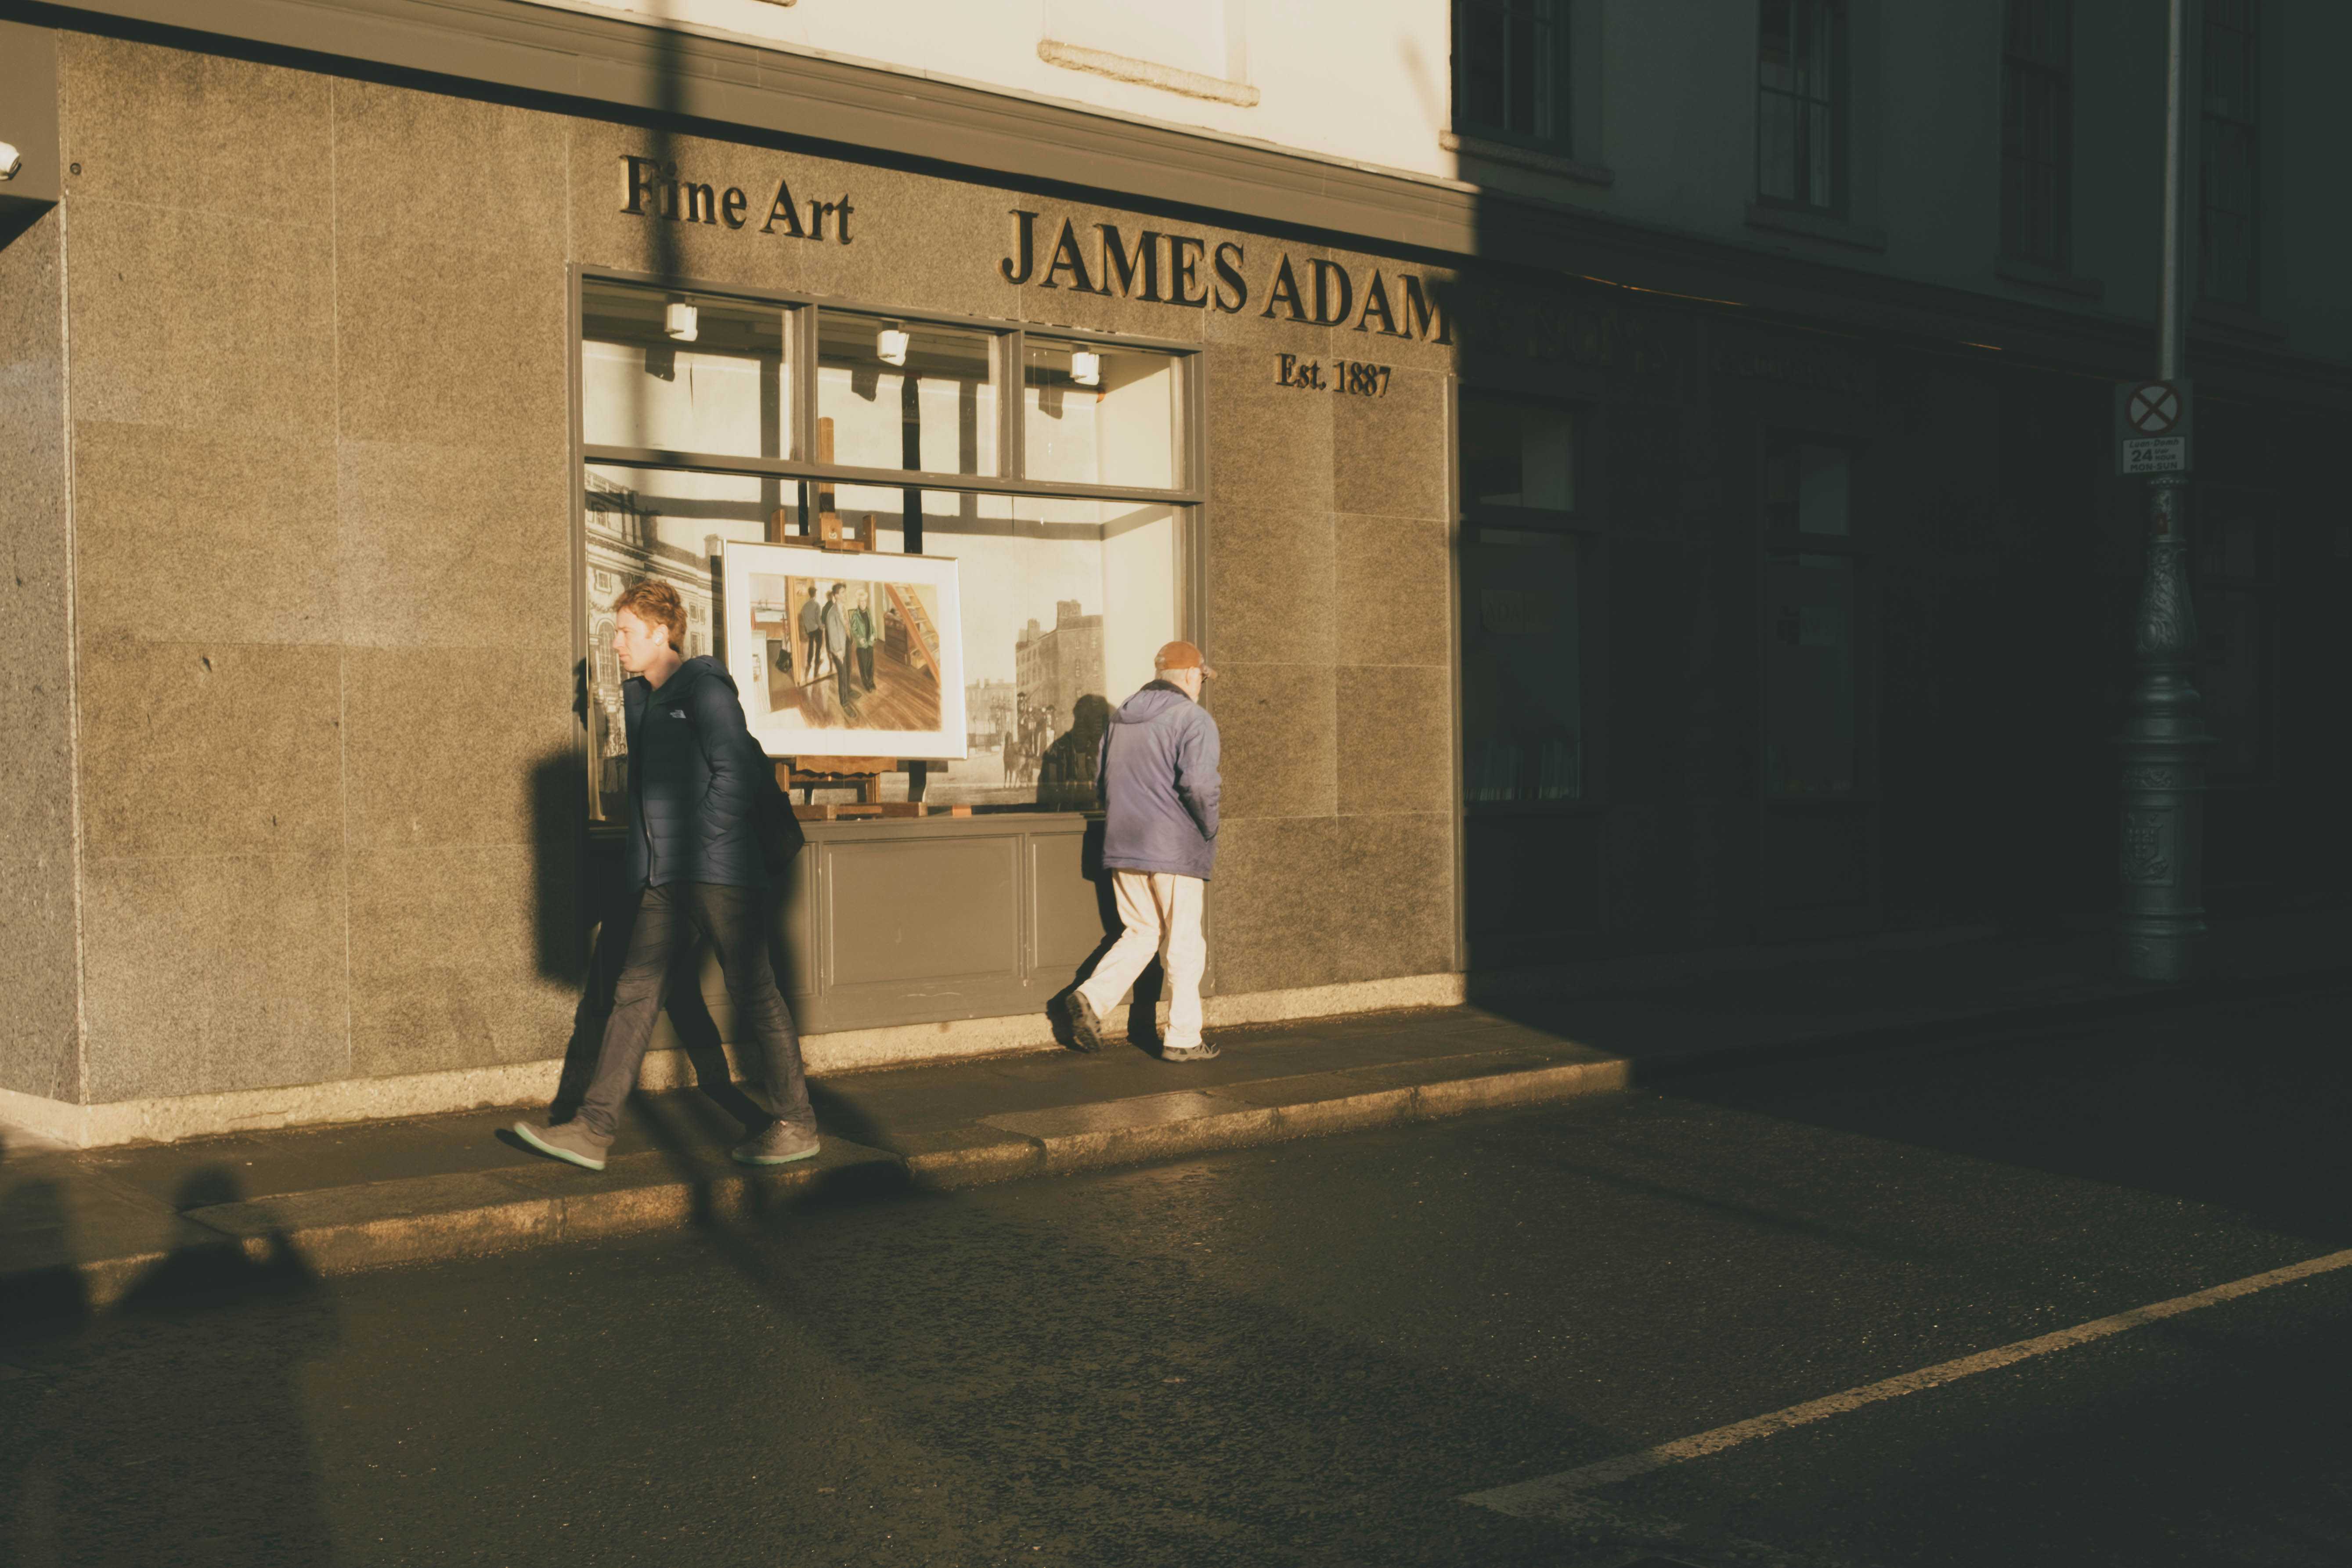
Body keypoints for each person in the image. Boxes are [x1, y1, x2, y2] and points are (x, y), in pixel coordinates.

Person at [512, 579, 819, 1171]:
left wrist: (697, 840)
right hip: (666, 878)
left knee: (754, 993)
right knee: (634, 992)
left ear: (661, 632)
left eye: (626, 631)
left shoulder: (704, 688)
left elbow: (735, 773)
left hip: (720, 872)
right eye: (615, 632)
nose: (617, 643)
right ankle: (592, 1127)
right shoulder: (643, 697)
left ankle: (797, 1122)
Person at [1062, 641, 1221, 1061]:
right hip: (1174, 848)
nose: (1201, 685)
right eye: (1202, 677)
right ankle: (1184, 1038)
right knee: (1185, 943)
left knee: (1141, 933)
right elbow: (1200, 787)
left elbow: (1100, 781)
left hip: (1123, 846)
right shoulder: (1194, 719)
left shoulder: (1121, 719)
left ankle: (1090, 1000)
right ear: (1191, 675)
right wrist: (1209, 828)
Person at [823, 583, 857, 717]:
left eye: (845, 592)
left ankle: (848, 690)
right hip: (839, 649)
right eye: (843, 592)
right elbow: (832, 634)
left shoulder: (843, 608)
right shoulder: (832, 613)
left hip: (847, 643)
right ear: (836, 596)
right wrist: (838, 651)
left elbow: (845, 626)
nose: (845, 594)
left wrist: (851, 638)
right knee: (842, 675)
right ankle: (844, 702)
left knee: (848, 669)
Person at [848, 594, 878, 692]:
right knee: (864, 666)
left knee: (871, 664)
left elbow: (872, 625)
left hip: (870, 643)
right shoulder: (855, 615)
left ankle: (871, 681)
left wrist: (874, 634)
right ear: (858, 603)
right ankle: (866, 684)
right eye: (862, 601)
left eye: (865, 601)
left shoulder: (868, 612)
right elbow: (853, 630)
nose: (864, 603)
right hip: (862, 645)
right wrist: (859, 638)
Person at [797, 582, 825, 686]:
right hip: (817, 629)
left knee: (811, 646)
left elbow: (804, 620)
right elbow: (818, 619)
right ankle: (817, 662)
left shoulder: (804, 606)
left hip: (809, 630)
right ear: (815, 594)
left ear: (809, 594)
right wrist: (822, 627)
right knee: (818, 647)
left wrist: (807, 629)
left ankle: (809, 662)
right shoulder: (817, 605)